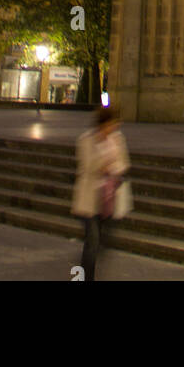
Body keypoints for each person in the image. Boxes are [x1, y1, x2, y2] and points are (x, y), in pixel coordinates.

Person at [71, 107, 132, 281]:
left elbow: (124, 163)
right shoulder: (86, 140)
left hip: (109, 198)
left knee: (98, 241)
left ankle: (87, 266)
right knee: (92, 241)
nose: (115, 126)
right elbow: (86, 166)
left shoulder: (117, 139)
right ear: (104, 123)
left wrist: (113, 168)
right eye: (112, 122)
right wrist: (104, 164)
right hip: (89, 197)